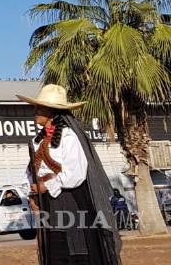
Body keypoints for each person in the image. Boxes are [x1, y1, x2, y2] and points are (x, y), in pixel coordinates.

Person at [18, 84, 121, 265]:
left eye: (39, 108)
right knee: (53, 248)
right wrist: (32, 195)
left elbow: (76, 173)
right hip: (46, 201)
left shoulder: (69, 137)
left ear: (51, 112)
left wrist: (47, 186)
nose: (35, 111)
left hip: (69, 199)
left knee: (75, 246)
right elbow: (31, 172)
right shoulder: (36, 141)